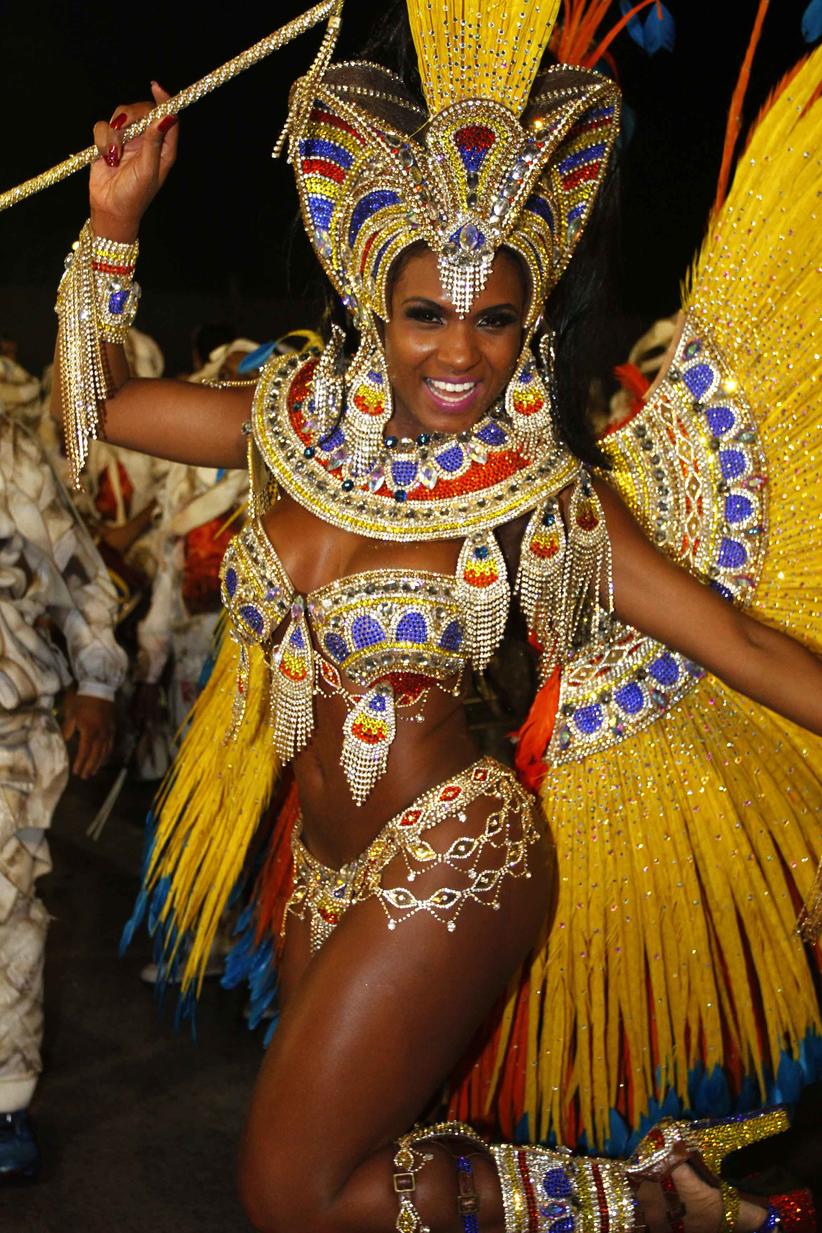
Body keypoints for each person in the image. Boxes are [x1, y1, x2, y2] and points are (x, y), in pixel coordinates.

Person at [50, 0, 821, 1228]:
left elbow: (739, 641)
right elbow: (96, 417)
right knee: (369, 1179)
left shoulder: (541, 495)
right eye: (428, 315)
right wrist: (113, 223)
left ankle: (657, 1207)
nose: (462, 353)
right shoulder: (290, 425)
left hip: (459, 852)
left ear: (532, 320)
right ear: (376, 303)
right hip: (321, 869)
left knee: (291, 1193)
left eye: (496, 318)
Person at [0, 409, 126, 1181]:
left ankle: (4, 1105)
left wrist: (98, 681)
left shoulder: (6, 449)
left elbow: (75, 571)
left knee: (4, 916)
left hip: (4, 731)